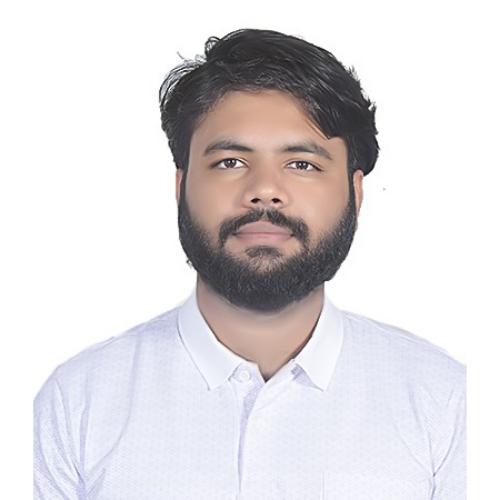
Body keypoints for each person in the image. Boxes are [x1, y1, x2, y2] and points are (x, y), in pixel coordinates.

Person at [34, 28, 466, 499]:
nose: (264, 190)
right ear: (181, 186)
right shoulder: (78, 401)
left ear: (355, 192)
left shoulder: (444, 399)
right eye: (230, 162)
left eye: (302, 164)